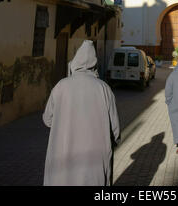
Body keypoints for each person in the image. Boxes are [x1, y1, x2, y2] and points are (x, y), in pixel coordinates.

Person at [42, 40, 120, 186]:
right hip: (94, 163)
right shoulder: (104, 89)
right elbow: (115, 130)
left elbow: (47, 120)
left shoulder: (61, 86)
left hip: (63, 159)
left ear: (75, 61)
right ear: (94, 63)